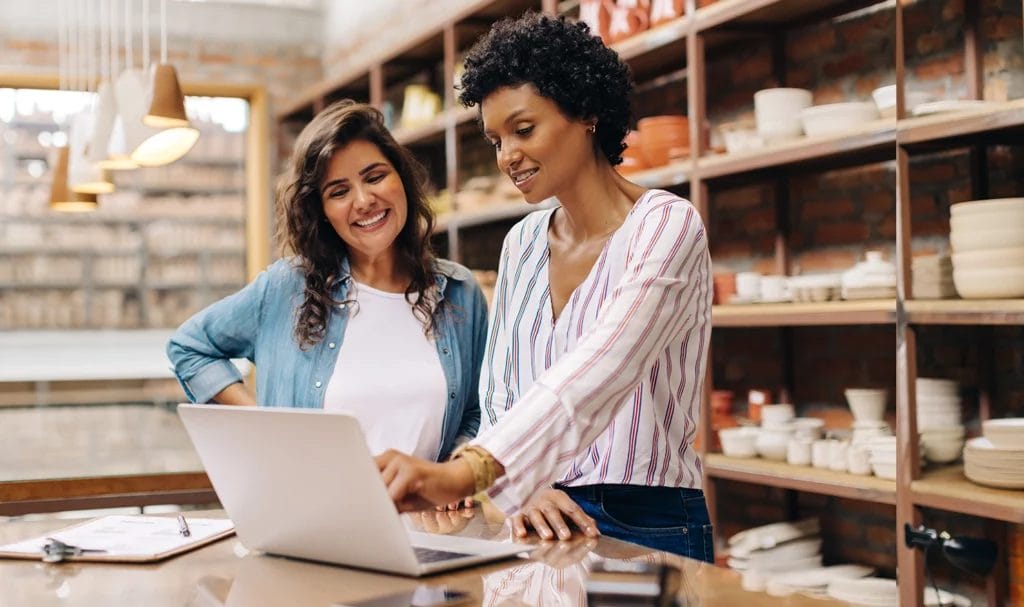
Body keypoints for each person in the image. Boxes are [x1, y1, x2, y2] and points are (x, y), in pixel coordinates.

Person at [375, 12, 714, 561]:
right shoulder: (523, 242)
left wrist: (468, 473)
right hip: (535, 513)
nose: (507, 155)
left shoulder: (665, 226)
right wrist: (522, 487)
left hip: (646, 521)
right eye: (495, 139)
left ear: (585, 113)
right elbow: (501, 391)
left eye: (523, 130)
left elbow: (602, 371)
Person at [167, 100, 488, 464]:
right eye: (339, 191)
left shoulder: (459, 292)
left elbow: (477, 413)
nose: (364, 200)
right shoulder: (287, 287)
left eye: (375, 176)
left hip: (424, 522)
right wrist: (262, 421)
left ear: (402, 178)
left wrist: (455, 470)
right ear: (320, 211)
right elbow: (190, 348)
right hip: (312, 517)